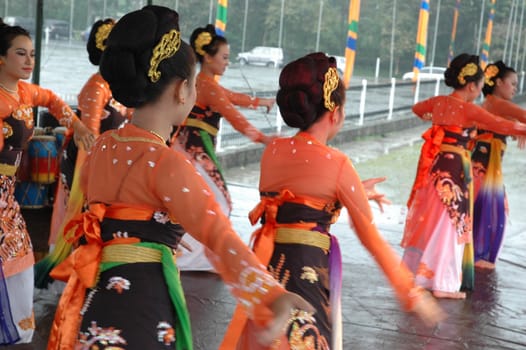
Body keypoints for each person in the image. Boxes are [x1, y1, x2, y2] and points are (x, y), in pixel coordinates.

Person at [46, 6, 313, 349]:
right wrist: (271, 293)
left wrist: (155, 232)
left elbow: (107, 218)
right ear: (182, 89)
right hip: (143, 308)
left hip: (97, 303)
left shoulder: (102, 148)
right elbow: (219, 237)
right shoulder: (167, 162)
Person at [220, 52, 445, 350]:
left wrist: (352, 192)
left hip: (268, 267)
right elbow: (371, 238)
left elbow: (299, 201)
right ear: (335, 112)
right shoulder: (337, 163)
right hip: (306, 272)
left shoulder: (273, 151)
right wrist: (412, 293)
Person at [402, 54, 526, 300]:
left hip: (437, 167)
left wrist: (439, 120)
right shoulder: (468, 109)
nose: (480, 92)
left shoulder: (440, 102)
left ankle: (423, 274)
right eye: (480, 87)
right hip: (458, 168)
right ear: (472, 85)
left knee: (435, 219)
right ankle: (442, 283)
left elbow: (417, 109)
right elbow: (503, 126)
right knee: (452, 224)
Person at [0, 19, 93, 345]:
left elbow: (53, 100)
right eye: (20, 54)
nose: (29, 61)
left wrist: (78, 127)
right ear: (1, 58)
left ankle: (16, 328)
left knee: (20, 258)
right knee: (16, 256)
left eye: (32, 54)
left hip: (6, 193)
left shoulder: (25, 92)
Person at [35, 18, 132, 289]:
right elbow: (89, 138)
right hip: (86, 164)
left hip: (111, 165)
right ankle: (77, 277)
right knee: (85, 219)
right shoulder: (96, 87)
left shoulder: (120, 89)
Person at [174, 24, 275, 271]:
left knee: (204, 202)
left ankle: (196, 255)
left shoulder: (205, 83)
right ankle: (194, 258)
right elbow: (232, 115)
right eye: (225, 57)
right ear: (208, 57)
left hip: (189, 147)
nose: (228, 62)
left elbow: (230, 97)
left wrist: (260, 102)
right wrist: (264, 139)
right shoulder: (206, 85)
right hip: (195, 149)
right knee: (220, 202)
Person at [472, 60, 526, 269]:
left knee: (483, 211)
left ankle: (477, 255)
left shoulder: (490, 103)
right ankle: (480, 256)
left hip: (480, 167)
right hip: (484, 170)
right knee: (490, 212)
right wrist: (520, 128)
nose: (515, 88)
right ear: (499, 82)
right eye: (512, 83)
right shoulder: (498, 103)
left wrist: (518, 129)